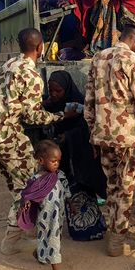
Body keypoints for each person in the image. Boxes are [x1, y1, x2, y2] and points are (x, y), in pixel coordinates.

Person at [0, 28, 78, 255]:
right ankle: (10, 241)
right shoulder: (31, 75)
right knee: (28, 189)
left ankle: (27, 229)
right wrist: (62, 116)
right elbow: (33, 117)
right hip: (8, 138)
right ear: (40, 48)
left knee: (17, 184)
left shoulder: (7, 66)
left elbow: (13, 101)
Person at [84, 22, 135, 257]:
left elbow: (89, 102)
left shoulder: (98, 58)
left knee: (112, 185)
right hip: (128, 137)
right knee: (126, 189)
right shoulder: (134, 61)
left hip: (103, 135)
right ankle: (117, 241)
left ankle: (112, 229)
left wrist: (93, 134)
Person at [43, 70, 106, 200]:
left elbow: (85, 127)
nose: (54, 94)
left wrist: (68, 135)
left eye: (58, 91)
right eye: (51, 90)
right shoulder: (49, 103)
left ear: (66, 88)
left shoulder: (78, 102)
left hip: (78, 146)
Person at [17, 140, 70, 270]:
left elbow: (66, 191)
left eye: (58, 161)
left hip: (59, 215)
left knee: (52, 237)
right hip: (45, 217)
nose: (56, 164)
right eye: (53, 161)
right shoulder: (36, 179)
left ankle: (39, 252)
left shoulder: (60, 175)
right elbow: (28, 194)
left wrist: (73, 205)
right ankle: (56, 269)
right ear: (41, 160)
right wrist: (26, 203)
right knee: (52, 238)